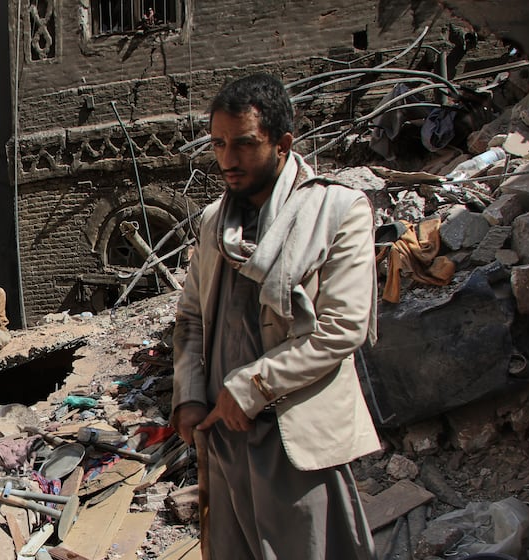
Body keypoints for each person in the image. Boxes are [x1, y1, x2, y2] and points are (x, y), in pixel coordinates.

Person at [171, 73, 381, 559]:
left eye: (244, 143)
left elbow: (341, 329)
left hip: (294, 438)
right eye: (219, 144)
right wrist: (189, 396)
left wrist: (251, 387)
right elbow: (189, 318)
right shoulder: (213, 222)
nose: (227, 159)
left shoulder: (339, 211)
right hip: (224, 439)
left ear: (283, 144)